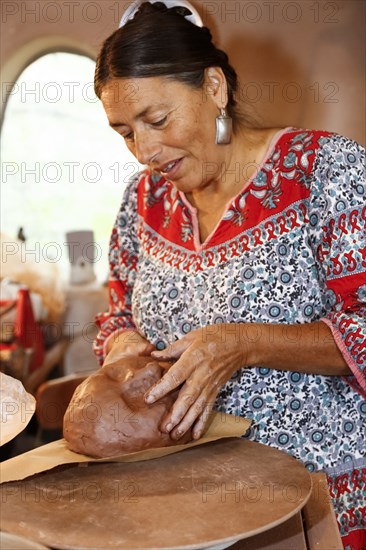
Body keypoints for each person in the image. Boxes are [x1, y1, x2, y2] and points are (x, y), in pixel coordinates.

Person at [92, 1, 365, 547]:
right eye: (124, 131)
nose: (144, 150)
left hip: (318, 495)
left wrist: (242, 343)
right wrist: (123, 344)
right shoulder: (142, 201)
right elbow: (115, 311)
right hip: (185, 493)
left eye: (157, 119)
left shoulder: (325, 172)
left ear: (214, 87)